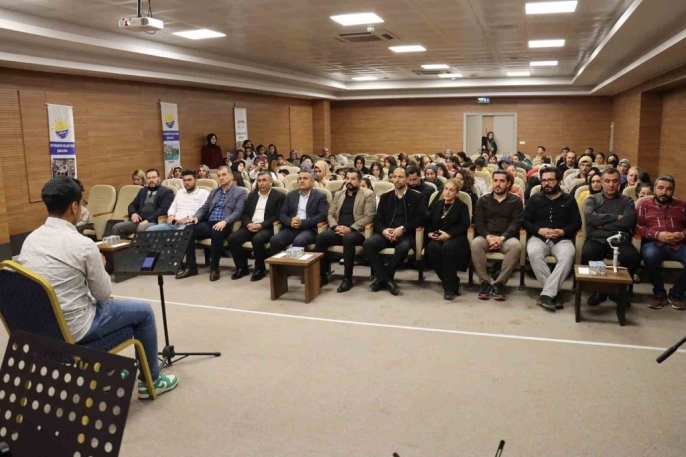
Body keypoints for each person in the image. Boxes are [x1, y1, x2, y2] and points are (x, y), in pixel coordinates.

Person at [19, 177, 178, 399]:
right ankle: (151, 380)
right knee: (143, 312)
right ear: (74, 207)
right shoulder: (83, 245)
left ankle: (105, 374)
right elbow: (103, 294)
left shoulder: (30, 240)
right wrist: (101, 267)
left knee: (104, 306)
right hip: (75, 330)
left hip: (38, 328)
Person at [523, 168, 581, 311]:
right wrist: (539, 230)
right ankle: (555, 293)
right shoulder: (535, 199)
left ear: (559, 181)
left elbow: (576, 223)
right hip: (539, 238)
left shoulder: (569, 200)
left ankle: (547, 294)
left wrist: (562, 231)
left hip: (562, 239)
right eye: (544, 180)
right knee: (533, 252)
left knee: (568, 255)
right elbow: (525, 221)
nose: (547, 183)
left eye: (550, 180)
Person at [581, 168, 640, 306]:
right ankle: (600, 289)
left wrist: (602, 225)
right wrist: (615, 217)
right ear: (602, 182)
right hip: (596, 239)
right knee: (588, 253)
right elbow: (590, 218)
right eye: (607, 181)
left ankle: (618, 290)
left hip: (619, 239)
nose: (611, 185)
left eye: (614, 181)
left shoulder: (627, 201)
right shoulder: (592, 199)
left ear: (619, 183)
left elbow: (628, 222)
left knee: (632, 257)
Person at [363, 167, 427, 296]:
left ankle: (382, 279)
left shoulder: (416, 197)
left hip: (405, 233)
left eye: (400, 177)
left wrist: (402, 229)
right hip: (387, 233)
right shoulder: (385, 197)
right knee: (368, 244)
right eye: (394, 177)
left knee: (403, 248)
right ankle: (387, 280)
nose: (397, 180)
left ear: (407, 179)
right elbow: (378, 219)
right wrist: (383, 230)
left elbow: (421, 219)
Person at [176, 166, 247, 282]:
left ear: (231, 176)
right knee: (188, 229)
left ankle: (214, 268)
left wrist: (225, 221)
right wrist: (196, 217)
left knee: (216, 231)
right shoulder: (214, 192)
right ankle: (191, 267)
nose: (221, 178)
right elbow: (204, 208)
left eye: (224, 175)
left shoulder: (240, 192)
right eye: (219, 176)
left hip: (226, 224)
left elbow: (238, 211)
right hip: (210, 222)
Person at [315, 168, 375, 292]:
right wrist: (335, 227)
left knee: (348, 238)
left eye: (353, 179)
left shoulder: (367, 194)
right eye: (347, 178)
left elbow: (368, 217)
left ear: (359, 181)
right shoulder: (339, 194)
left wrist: (350, 228)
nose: (349, 181)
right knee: (321, 238)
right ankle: (322, 275)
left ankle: (347, 278)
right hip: (338, 229)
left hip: (357, 232)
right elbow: (330, 214)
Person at [471, 170, 523, 301]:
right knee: (476, 244)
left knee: (516, 246)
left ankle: (499, 284)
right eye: (495, 181)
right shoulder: (483, 200)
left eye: (502, 181)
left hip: (506, 238)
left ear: (508, 183)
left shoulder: (515, 201)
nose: (498, 184)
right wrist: (488, 236)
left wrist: (502, 238)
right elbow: (479, 222)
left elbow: (516, 223)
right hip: (486, 236)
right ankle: (484, 282)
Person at [636, 176, 686, 310]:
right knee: (650, 256)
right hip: (654, 243)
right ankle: (659, 294)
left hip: (679, 244)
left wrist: (682, 235)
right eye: (660, 188)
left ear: (673, 190)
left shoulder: (682, 206)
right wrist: (658, 235)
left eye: (669, 189)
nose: (664, 192)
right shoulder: (644, 205)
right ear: (654, 189)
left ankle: (676, 294)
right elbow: (638, 227)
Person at [227, 171, 285, 282]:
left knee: (257, 240)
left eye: (264, 180)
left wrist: (260, 225)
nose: (261, 183)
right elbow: (244, 213)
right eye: (259, 181)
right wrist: (248, 224)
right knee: (232, 238)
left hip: (266, 227)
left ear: (271, 182)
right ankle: (242, 268)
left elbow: (277, 216)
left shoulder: (279, 196)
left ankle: (259, 269)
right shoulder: (252, 195)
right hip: (250, 225)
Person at [425, 178, 470, 300]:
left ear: (457, 192)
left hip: (456, 238)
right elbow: (427, 223)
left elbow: (464, 225)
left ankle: (449, 289)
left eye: (451, 190)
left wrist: (449, 235)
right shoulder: (436, 205)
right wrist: (429, 233)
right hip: (437, 237)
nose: (447, 192)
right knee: (432, 247)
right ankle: (453, 282)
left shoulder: (462, 206)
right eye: (446, 189)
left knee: (447, 248)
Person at [270, 169, 328, 255]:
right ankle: (281, 264)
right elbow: (282, 214)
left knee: (299, 241)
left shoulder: (320, 196)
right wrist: (290, 221)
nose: (302, 181)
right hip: (291, 228)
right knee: (275, 240)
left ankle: (299, 264)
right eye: (300, 178)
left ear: (312, 182)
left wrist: (302, 222)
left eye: (305, 178)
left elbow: (322, 215)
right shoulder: (291, 195)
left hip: (309, 229)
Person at [112, 168, 174, 237]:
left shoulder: (166, 192)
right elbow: (132, 205)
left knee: (141, 228)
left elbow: (163, 210)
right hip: (139, 221)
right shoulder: (143, 191)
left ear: (159, 178)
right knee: (117, 227)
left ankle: (138, 244)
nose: (151, 180)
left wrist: (148, 220)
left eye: (153, 177)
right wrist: (133, 213)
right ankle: (124, 244)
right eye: (149, 178)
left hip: (154, 222)